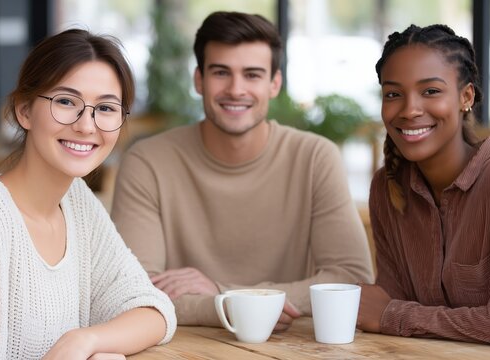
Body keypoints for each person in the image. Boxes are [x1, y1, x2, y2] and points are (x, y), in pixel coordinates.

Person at [0, 29, 176, 359]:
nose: (86, 125)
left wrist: (85, 341)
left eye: (106, 108)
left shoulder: (77, 203)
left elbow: (153, 310)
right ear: (24, 111)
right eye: (66, 102)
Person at [111, 11, 374, 330]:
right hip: (182, 348)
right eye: (221, 72)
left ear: (274, 83)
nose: (236, 89)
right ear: (199, 79)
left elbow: (351, 279)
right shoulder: (148, 162)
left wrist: (227, 296)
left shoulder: (315, 157)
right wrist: (231, 309)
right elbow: (136, 292)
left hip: (288, 347)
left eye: (252, 75)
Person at [357, 24, 490, 348]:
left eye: (431, 91)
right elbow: (391, 297)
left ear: (466, 96)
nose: (409, 110)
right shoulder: (388, 186)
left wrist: (395, 316)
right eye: (393, 94)